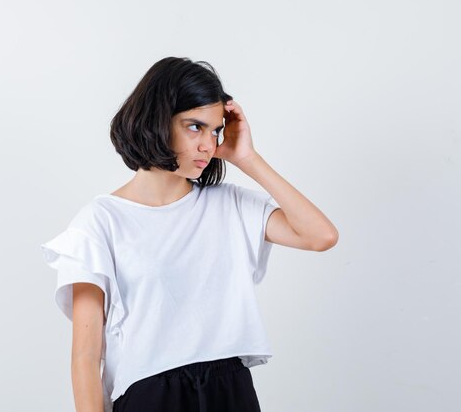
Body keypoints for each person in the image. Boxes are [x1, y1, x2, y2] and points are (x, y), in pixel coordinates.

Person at [41, 56, 339, 412]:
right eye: (194, 126)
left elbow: (320, 236)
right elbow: (86, 358)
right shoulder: (100, 222)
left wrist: (247, 157)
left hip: (230, 390)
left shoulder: (230, 206)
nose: (207, 145)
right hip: (151, 397)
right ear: (156, 120)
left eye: (215, 131)